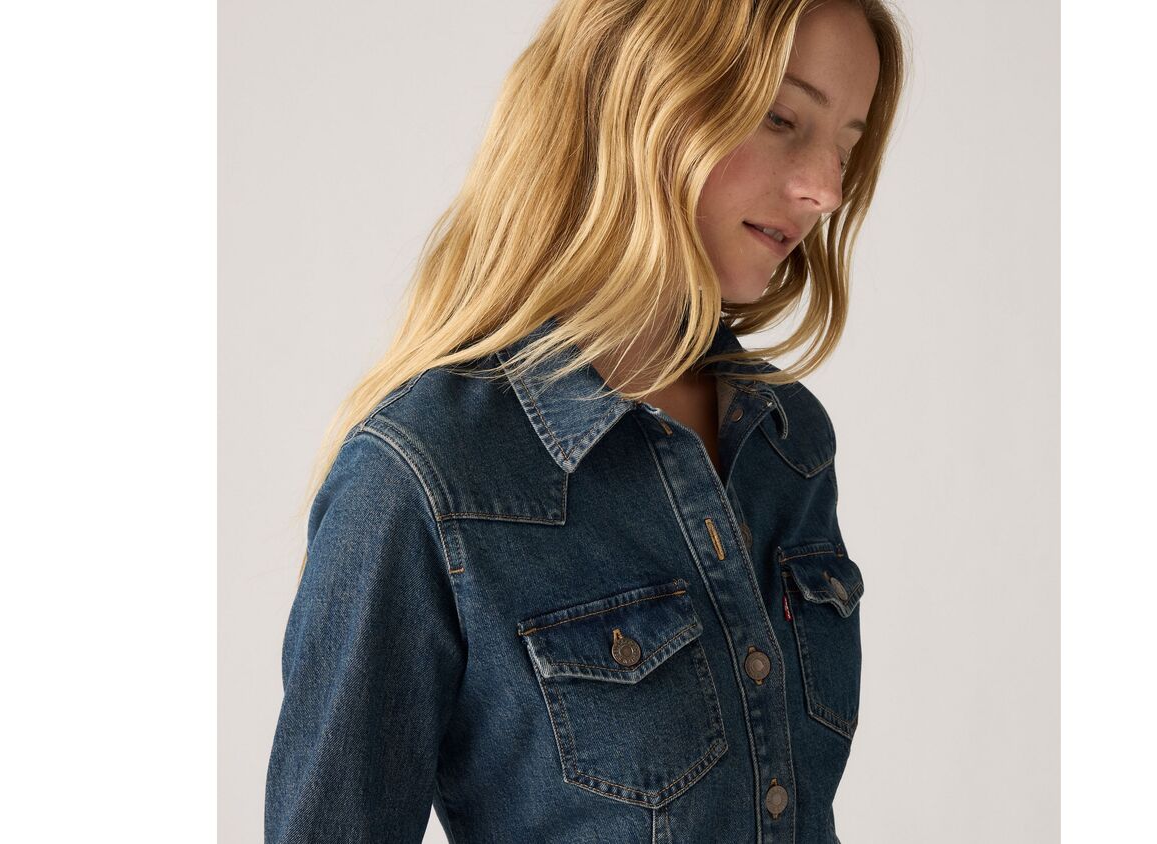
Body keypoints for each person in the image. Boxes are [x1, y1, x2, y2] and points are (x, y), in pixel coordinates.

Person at [265, 0, 906, 840]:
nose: (826, 188)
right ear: (640, 98)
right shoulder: (424, 475)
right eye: (781, 118)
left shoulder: (787, 439)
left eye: (847, 147)